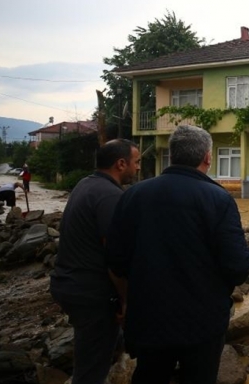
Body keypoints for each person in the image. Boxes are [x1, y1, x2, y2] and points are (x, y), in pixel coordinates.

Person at [107, 125, 249, 383]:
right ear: (207, 157)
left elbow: (116, 260)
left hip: (148, 319)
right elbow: (238, 267)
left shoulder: (133, 195)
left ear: (172, 155)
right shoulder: (218, 199)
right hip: (202, 324)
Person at [50, 139, 140, 384]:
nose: (138, 167)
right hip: (91, 294)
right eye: (136, 162)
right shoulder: (110, 196)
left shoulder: (86, 184)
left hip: (68, 284)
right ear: (121, 164)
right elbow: (115, 257)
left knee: (107, 347)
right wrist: (125, 300)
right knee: (91, 371)